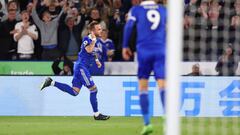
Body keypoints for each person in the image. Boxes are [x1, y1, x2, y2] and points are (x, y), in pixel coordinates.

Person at [40, 21, 110, 120]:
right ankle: (96, 114)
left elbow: (92, 52)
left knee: (74, 92)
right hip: (81, 67)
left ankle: (51, 82)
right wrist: (94, 40)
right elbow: (89, 50)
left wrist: (97, 60)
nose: (101, 30)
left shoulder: (92, 40)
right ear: (92, 31)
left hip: (80, 67)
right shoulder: (88, 38)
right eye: (98, 29)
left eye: (101, 29)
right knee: (93, 89)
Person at [122, 0, 166, 134]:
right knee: (163, 85)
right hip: (160, 50)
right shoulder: (163, 9)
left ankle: (147, 124)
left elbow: (129, 26)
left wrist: (124, 45)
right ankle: (169, 117)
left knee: (143, 86)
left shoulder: (136, 10)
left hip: (144, 50)